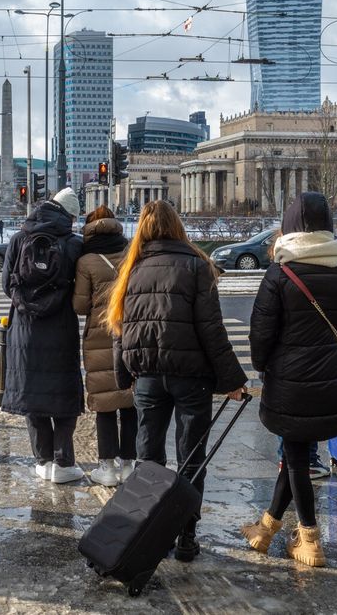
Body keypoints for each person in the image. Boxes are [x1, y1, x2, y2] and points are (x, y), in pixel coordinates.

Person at [108, 200, 249, 562]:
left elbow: (119, 330)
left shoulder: (132, 267)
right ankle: (186, 534)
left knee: (148, 458)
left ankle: (148, 530)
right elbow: (212, 330)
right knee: (192, 458)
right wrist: (232, 380)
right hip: (191, 379)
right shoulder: (196, 265)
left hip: (148, 378)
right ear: (177, 226)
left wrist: (123, 373)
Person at [240, 193, 337, 567]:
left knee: (296, 459)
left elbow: (260, 330)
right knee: (297, 452)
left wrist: (262, 366)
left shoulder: (281, 270)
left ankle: (309, 539)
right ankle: (266, 527)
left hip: (290, 376)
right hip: (328, 372)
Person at [1, 188, 86, 485]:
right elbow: (82, 290)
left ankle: (43, 461)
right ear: (68, 216)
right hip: (61, 327)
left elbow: (6, 284)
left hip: (25, 330)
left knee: (32, 393)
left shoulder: (18, 238)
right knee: (64, 394)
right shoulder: (75, 244)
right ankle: (63, 462)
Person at [72, 205, 133, 487]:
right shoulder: (131, 252)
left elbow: (80, 305)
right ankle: (130, 465)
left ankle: (106, 468)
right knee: (130, 401)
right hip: (130, 332)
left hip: (99, 335)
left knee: (105, 404)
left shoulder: (86, 261)